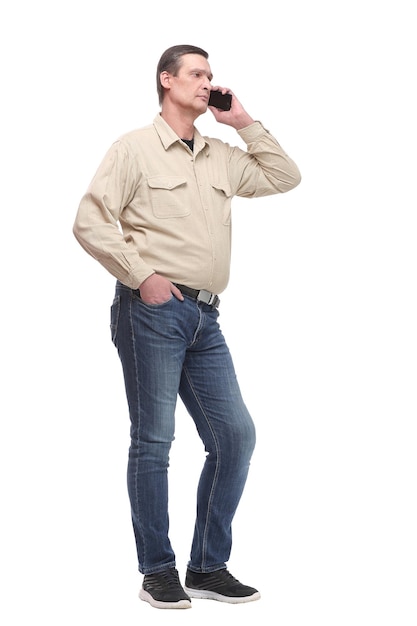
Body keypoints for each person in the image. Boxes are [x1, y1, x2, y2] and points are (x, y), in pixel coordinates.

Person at [73, 44, 301, 610]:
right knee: (154, 441)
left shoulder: (221, 156)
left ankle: (206, 565)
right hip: (150, 310)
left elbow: (285, 175)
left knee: (236, 436)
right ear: (165, 79)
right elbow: (89, 220)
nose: (207, 82)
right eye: (197, 74)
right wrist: (140, 274)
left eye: (211, 76)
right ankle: (158, 570)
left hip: (206, 316)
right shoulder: (134, 149)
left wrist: (242, 120)